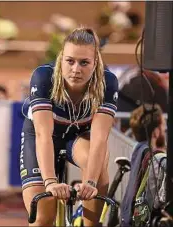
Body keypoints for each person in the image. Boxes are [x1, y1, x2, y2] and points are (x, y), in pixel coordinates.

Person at [20, 26, 119, 226]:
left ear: (95, 63)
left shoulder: (107, 81)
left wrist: (90, 183)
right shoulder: (44, 77)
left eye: (84, 63)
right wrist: (50, 182)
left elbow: (100, 138)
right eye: (70, 61)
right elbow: (42, 135)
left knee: (98, 171)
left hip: (79, 136)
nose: (76, 69)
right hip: (42, 136)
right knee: (42, 218)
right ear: (61, 59)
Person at [121, 104, 167, 226]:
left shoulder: (138, 150)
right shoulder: (158, 159)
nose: (165, 130)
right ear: (156, 132)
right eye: (163, 127)